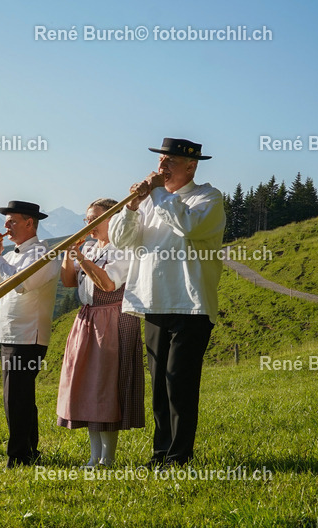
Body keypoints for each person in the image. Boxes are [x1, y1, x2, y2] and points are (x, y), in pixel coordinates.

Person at [108, 137, 225, 469]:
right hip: (153, 301)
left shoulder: (208, 197)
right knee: (160, 383)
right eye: (161, 159)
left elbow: (187, 225)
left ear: (191, 166)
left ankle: (179, 456)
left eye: (170, 161)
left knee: (179, 382)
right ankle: (161, 453)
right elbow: (120, 239)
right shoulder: (147, 201)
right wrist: (132, 205)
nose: (162, 166)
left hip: (191, 305)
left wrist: (157, 192)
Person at [56, 198, 145, 468]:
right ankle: (94, 456)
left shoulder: (122, 249)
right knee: (88, 386)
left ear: (113, 219)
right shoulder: (94, 247)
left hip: (112, 319)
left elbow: (107, 284)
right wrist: (69, 257)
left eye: (94, 219)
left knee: (106, 387)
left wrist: (81, 258)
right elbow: (70, 282)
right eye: (87, 220)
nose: (88, 225)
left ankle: (108, 457)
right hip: (89, 317)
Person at [0, 201, 59, 467]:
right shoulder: (10, 256)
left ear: (29, 223)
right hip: (9, 334)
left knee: (16, 398)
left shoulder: (44, 255)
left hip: (28, 335)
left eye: (11, 221)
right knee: (20, 397)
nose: (5, 227)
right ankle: (28, 452)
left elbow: (21, 284)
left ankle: (19, 457)